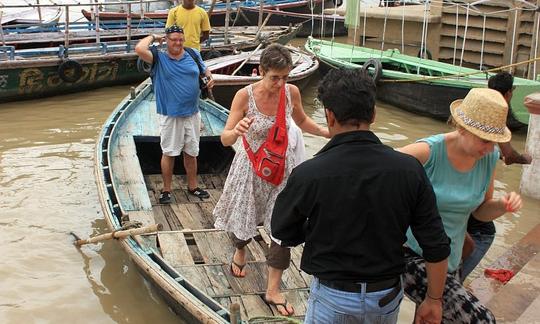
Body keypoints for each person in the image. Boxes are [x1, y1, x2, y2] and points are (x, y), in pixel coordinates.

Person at [270, 68, 450, 324]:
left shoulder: (309, 174)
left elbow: (283, 230)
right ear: (373, 114)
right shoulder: (409, 169)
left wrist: (315, 228)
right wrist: (433, 300)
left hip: (333, 296)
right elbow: (436, 244)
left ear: (329, 117)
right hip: (384, 297)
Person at [213, 43, 329, 316]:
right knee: (244, 218)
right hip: (250, 169)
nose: (280, 83)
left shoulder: (291, 93)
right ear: (260, 72)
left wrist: (325, 132)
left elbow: (301, 121)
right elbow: (224, 137)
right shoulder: (244, 96)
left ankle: (273, 288)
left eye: (285, 77)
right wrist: (237, 131)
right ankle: (240, 249)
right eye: (274, 77)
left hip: (282, 170)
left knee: (283, 228)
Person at [399, 87, 523, 323]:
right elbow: (378, 167)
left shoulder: (488, 158)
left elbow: (481, 211)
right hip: (410, 255)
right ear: (462, 128)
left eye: (494, 142)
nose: (490, 148)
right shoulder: (428, 152)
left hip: (449, 260)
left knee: (430, 318)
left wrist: (502, 206)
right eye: (485, 140)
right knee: (482, 320)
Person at [461, 71, 532, 281]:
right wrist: (529, 160)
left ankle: (452, 283)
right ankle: (453, 283)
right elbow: (508, 155)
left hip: (469, 208)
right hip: (469, 216)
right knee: (482, 232)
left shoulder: (487, 151)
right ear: (510, 93)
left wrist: (502, 205)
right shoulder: (496, 117)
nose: (489, 147)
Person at [135, 25, 215, 203]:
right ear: (167, 40)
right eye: (173, 40)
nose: (177, 43)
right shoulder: (158, 57)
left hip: (193, 113)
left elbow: (204, 70)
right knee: (169, 152)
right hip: (170, 115)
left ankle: (193, 186)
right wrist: (154, 37)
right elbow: (139, 49)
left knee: (192, 152)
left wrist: (210, 78)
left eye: (180, 39)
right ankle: (166, 189)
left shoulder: (193, 54)